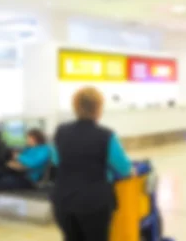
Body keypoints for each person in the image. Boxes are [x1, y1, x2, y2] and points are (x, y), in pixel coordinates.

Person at [51, 86, 133, 241]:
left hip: (63, 201)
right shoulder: (106, 135)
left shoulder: (61, 131)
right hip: (95, 203)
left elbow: (56, 161)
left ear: (75, 107)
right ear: (98, 108)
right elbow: (124, 169)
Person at [0, 128, 52, 226]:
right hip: (17, 173)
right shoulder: (28, 149)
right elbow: (20, 162)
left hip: (29, 179)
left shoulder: (45, 150)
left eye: (28, 138)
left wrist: (18, 157)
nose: (27, 140)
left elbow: (32, 163)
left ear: (35, 139)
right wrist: (12, 161)